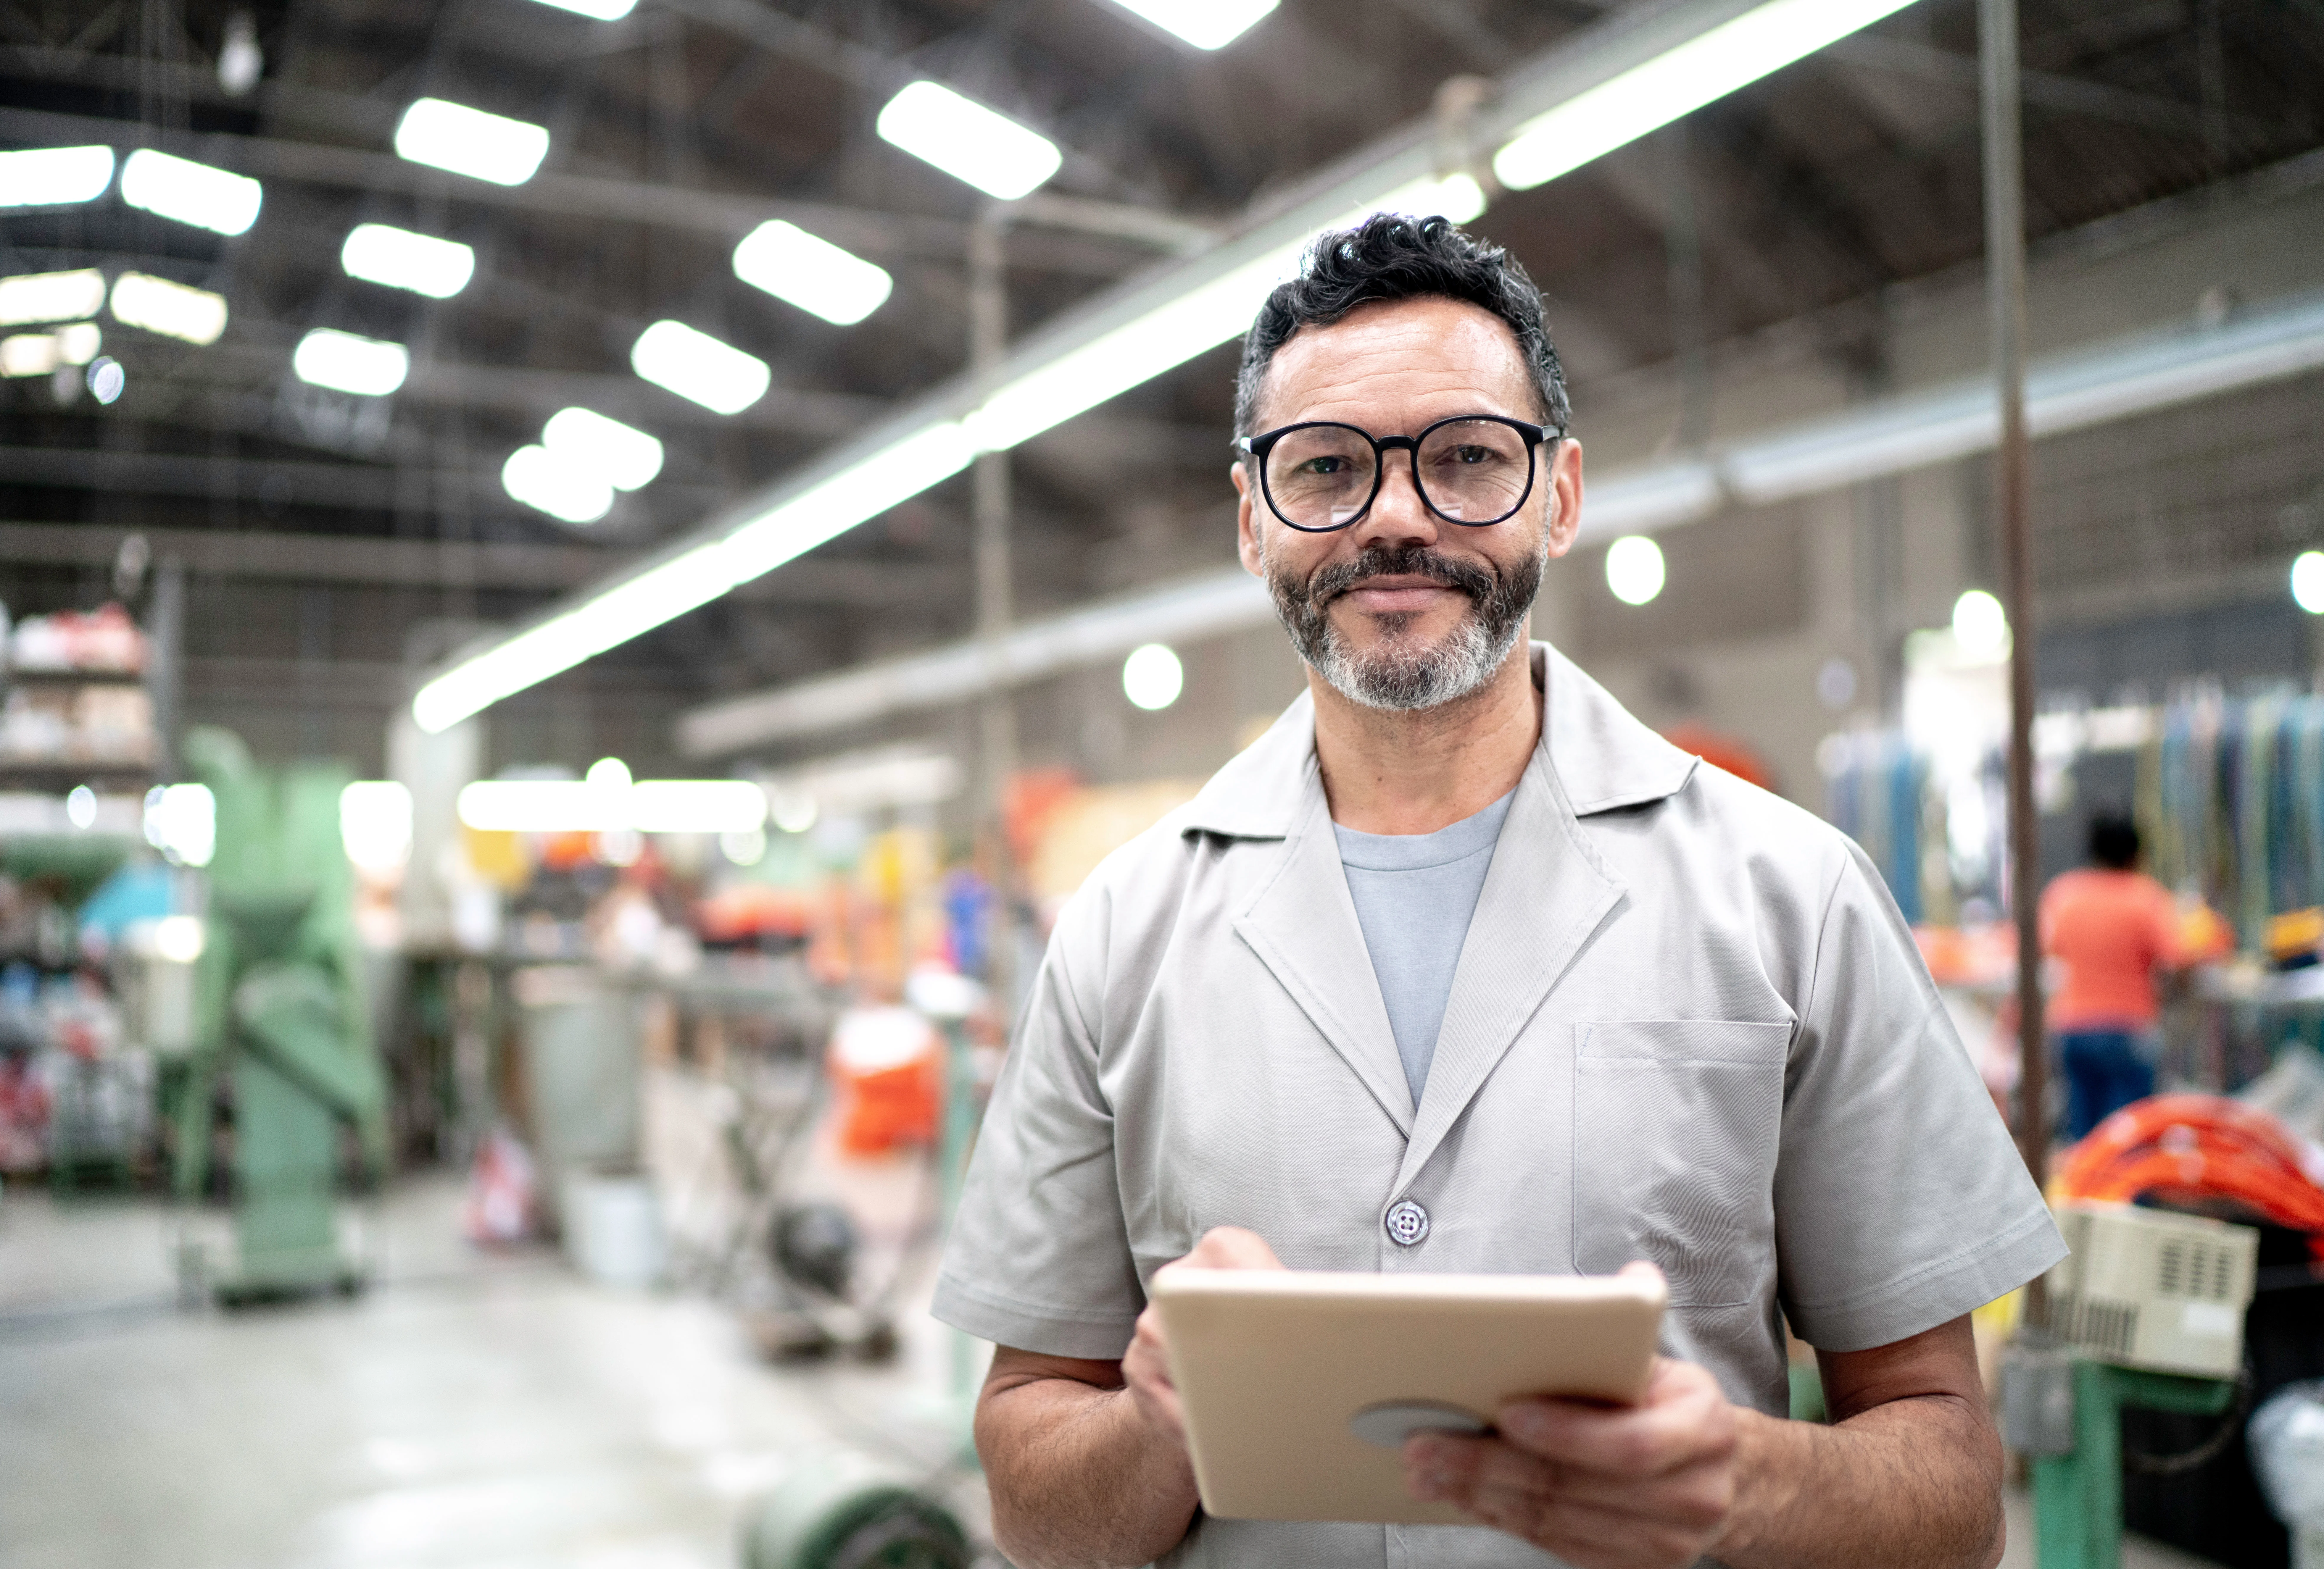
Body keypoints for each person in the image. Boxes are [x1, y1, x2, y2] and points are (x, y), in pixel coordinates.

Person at [933, 214, 2062, 1569]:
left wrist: (1748, 1481)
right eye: (1328, 467)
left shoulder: (1792, 898)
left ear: (1561, 493)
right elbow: (1031, 1491)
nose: (1395, 514)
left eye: (1466, 456)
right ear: (1253, 519)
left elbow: (1953, 1479)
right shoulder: (1120, 934)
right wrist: (1162, 1419)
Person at [2041, 812, 2183, 1140]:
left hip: (2072, 1027)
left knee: (2084, 1137)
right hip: (2127, 1030)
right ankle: (2128, 1193)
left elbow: (2051, 948)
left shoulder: (2063, 895)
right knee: (2130, 1139)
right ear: (2135, 855)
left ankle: (2082, 1192)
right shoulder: (2144, 897)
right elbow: (2176, 959)